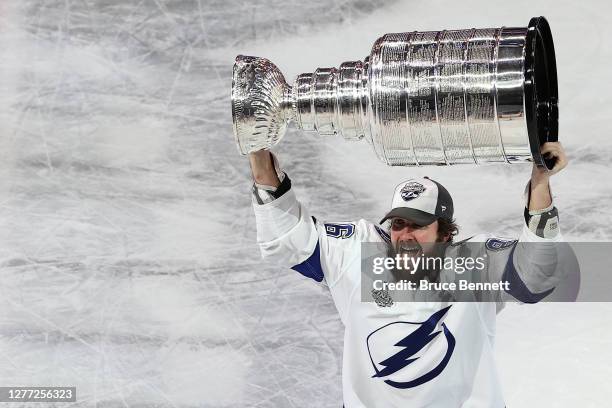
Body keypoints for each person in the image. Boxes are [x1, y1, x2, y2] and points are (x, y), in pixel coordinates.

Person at [248, 142, 568, 408]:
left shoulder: (474, 265)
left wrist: (540, 185)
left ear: (445, 234)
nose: (406, 234)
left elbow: (535, 276)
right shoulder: (361, 254)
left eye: (418, 225)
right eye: (399, 224)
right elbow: (289, 238)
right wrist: (258, 153)